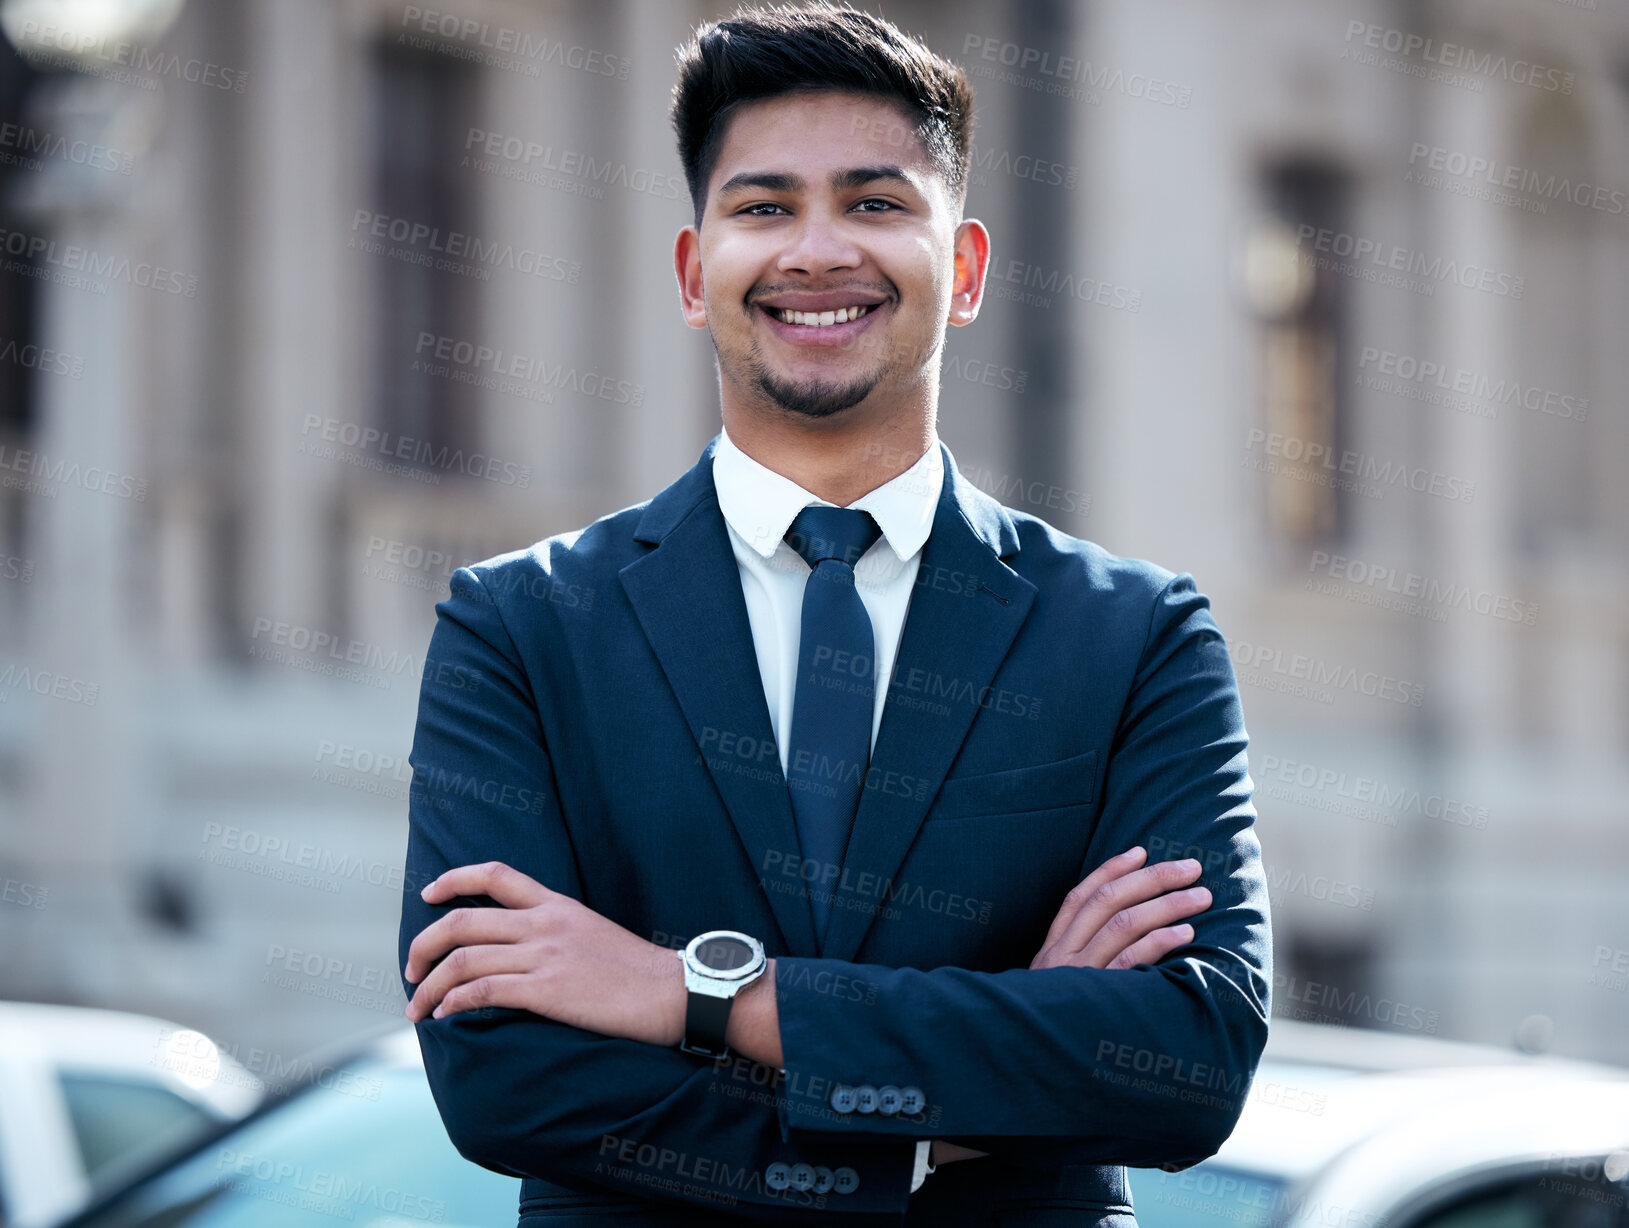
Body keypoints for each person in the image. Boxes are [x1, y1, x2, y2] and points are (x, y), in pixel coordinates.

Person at [397, 4, 1271, 1224]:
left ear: (961, 270)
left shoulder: (1135, 637)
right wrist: (960, 1112)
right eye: (763, 208)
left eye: (873, 203)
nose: (816, 251)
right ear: (698, 274)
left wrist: (689, 995)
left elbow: (1189, 1052)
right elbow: (502, 1074)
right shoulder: (524, 629)